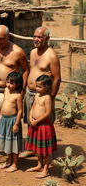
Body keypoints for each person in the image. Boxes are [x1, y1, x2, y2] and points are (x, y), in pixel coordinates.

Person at [0, 25, 29, 154]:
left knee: (12, 117)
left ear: (8, 37)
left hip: (11, 91)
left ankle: (13, 146)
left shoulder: (18, 51)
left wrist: (22, 89)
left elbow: (26, 70)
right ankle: (1, 143)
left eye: (1, 39)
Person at [20, 26, 61, 158]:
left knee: (44, 124)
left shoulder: (51, 55)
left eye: (39, 37)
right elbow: (31, 71)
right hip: (30, 93)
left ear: (47, 39)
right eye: (35, 36)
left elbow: (57, 78)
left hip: (43, 96)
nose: (36, 39)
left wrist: (51, 97)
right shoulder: (32, 52)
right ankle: (32, 148)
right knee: (30, 121)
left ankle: (47, 152)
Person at [25, 75, 57, 178]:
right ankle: (39, 165)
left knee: (45, 150)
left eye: (40, 87)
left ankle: (46, 169)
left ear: (47, 87)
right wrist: (30, 117)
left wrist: (37, 121)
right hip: (35, 124)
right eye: (36, 86)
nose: (37, 89)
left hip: (44, 126)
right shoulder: (37, 95)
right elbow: (33, 107)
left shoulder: (47, 97)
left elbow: (48, 113)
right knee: (38, 147)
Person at [0, 72, 23, 173]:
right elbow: (4, 102)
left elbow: (20, 110)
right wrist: (0, 115)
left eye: (11, 83)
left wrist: (16, 124)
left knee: (14, 142)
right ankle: (9, 160)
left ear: (17, 84)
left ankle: (15, 164)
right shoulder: (6, 90)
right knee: (6, 142)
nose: (8, 85)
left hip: (13, 121)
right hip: (4, 120)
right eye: (7, 82)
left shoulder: (18, 96)